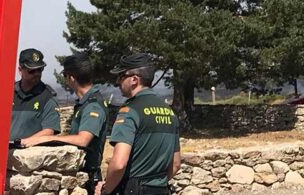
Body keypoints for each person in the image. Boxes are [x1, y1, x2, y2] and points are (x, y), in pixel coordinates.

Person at [99, 53, 180, 195]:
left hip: (133, 189)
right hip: (161, 189)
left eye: (121, 76)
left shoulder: (130, 110)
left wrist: (106, 190)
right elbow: (175, 164)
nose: (118, 82)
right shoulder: (169, 112)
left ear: (134, 79)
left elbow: (118, 164)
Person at [40, 52, 110, 193]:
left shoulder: (92, 105)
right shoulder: (85, 102)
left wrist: (50, 138)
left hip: (88, 178)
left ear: (71, 78)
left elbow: (83, 139)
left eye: (65, 76)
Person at [12, 48, 62, 146]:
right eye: (32, 71)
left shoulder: (47, 97)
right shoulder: (8, 93)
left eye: (39, 70)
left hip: (31, 155)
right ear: (20, 70)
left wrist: (21, 144)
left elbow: (49, 131)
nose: (37, 74)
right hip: (4, 153)